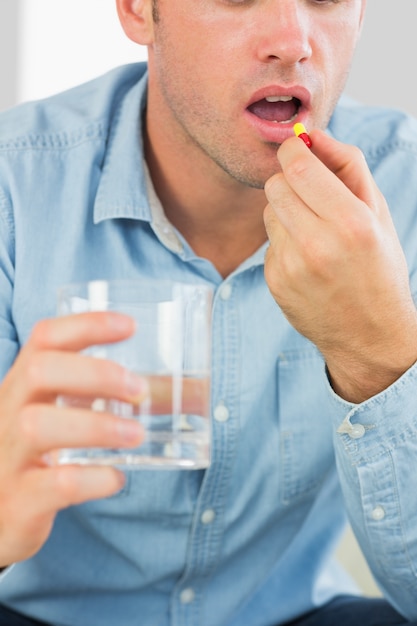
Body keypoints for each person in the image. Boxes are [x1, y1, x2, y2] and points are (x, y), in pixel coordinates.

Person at [0, 0, 417, 624]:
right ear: (140, 10)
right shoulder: (15, 187)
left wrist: (380, 355)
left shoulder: (405, 187)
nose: (292, 41)